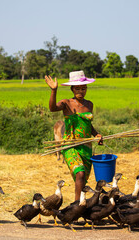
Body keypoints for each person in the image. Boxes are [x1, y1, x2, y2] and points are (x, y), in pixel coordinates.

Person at [45, 70, 103, 201]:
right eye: (77, 88)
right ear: (72, 89)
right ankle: (77, 205)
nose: (81, 91)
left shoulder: (89, 104)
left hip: (86, 147)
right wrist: (54, 90)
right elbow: (52, 108)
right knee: (80, 173)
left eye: (83, 88)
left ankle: (81, 204)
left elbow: (88, 124)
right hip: (71, 145)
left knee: (82, 179)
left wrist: (97, 134)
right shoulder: (66, 103)